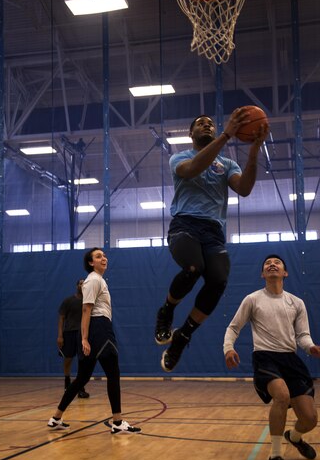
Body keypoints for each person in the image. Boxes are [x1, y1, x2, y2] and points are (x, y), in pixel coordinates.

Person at [155, 109, 269, 372]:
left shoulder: (227, 164)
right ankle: (166, 311)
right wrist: (228, 134)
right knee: (194, 267)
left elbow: (244, 189)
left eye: (211, 124)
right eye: (200, 124)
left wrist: (254, 149)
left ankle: (182, 337)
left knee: (218, 281)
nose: (206, 126)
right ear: (190, 133)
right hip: (185, 225)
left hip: (214, 231)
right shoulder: (179, 157)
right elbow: (194, 168)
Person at [223, 254, 320, 460]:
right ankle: (275, 457)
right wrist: (228, 348)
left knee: (310, 419)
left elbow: (303, 336)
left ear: (285, 273)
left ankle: (295, 437)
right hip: (265, 358)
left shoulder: (296, 302)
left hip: (291, 360)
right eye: (267, 264)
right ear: (263, 274)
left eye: (277, 263)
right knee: (282, 395)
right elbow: (233, 327)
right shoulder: (252, 299)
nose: (272, 265)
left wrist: (311, 348)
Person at [47, 247, 141, 435]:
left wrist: (85, 337)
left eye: (104, 255)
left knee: (83, 377)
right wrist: (84, 338)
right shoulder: (93, 280)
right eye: (98, 256)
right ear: (91, 263)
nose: (103, 258)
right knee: (113, 373)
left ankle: (56, 417)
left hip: (96, 329)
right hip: (99, 329)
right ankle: (117, 421)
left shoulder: (98, 280)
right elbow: (86, 310)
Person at [57, 279, 90, 399]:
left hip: (83, 334)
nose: (83, 285)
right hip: (69, 333)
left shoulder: (88, 301)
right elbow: (61, 318)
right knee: (68, 359)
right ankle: (67, 384)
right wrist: (60, 335)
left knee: (83, 361)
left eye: (84, 283)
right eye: (81, 283)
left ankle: (80, 388)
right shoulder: (68, 301)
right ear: (77, 286)